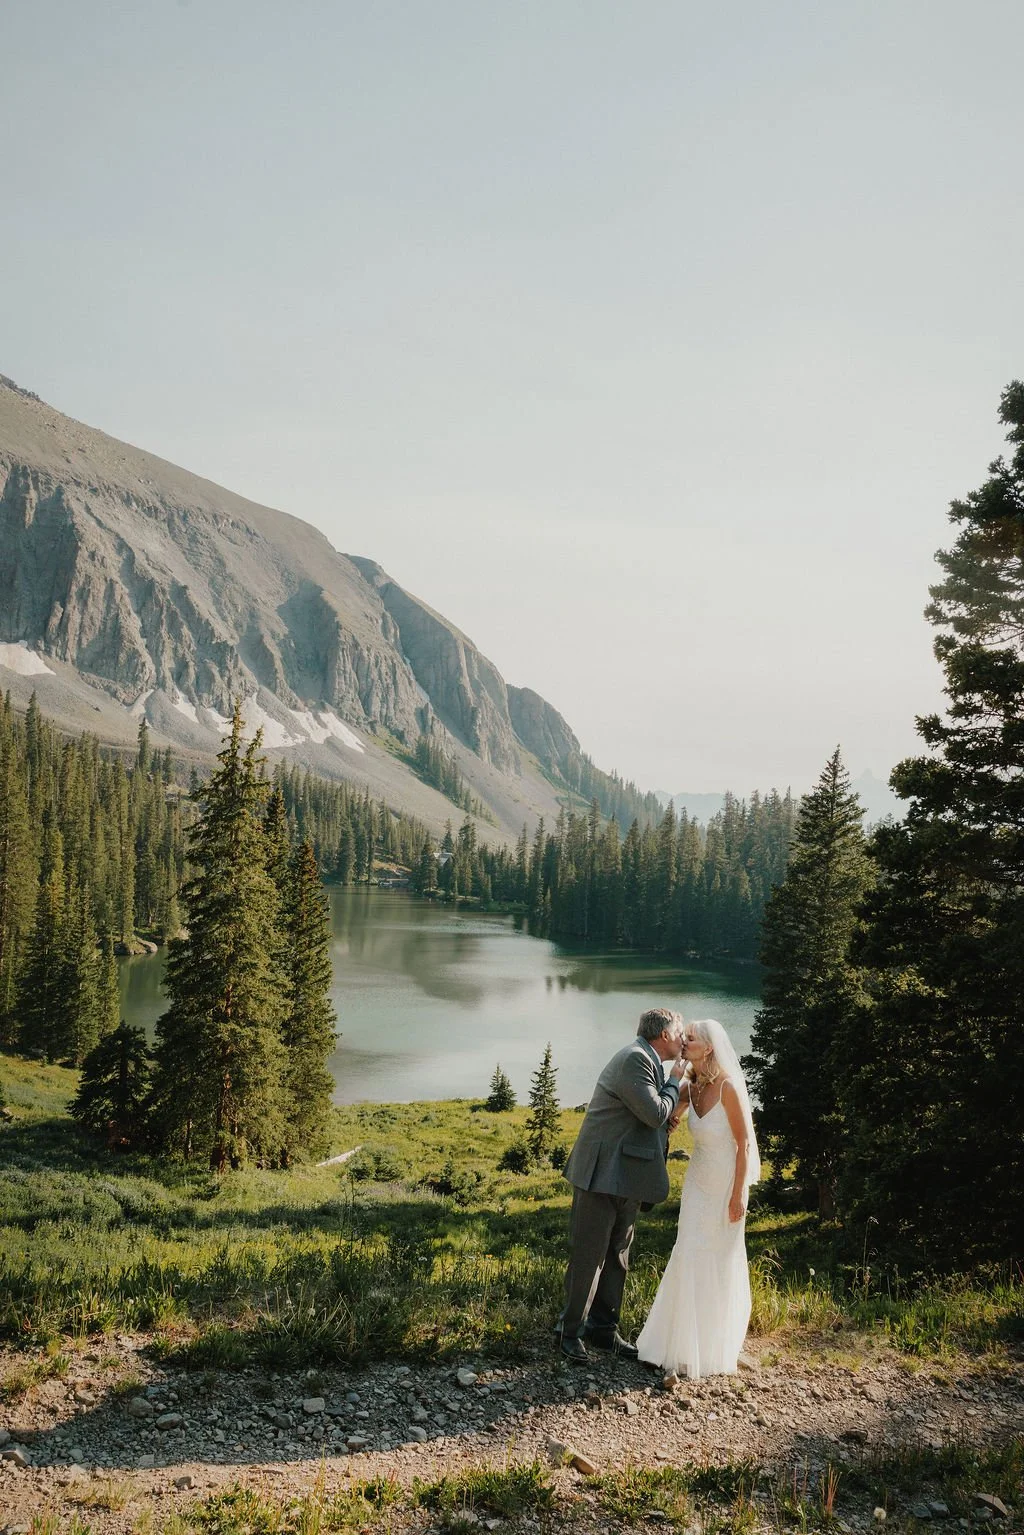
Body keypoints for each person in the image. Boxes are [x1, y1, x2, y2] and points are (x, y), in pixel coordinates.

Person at [557, 1007, 687, 1363]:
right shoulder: (635, 1059)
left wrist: (663, 1122)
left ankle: (603, 1329)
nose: (684, 1039)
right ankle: (568, 1333)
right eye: (681, 1033)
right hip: (601, 1175)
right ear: (664, 1035)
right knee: (589, 1256)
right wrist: (676, 1079)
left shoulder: (647, 1061)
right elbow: (655, 1112)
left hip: (626, 1175)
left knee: (617, 1256)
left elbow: (648, 1118)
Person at [636, 1017, 761, 1379]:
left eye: (690, 1040)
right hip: (697, 1182)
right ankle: (673, 1343)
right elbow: (667, 1115)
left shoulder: (728, 1088)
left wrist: (738, 1194)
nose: (683, 1043)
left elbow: (743, 1144)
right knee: (688, 1250)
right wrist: (669, 1117)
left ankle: (710, 1345)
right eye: (684, 1037)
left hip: (725, 1183)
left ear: (708, 1048)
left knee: (717, 1256)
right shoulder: (692, 1086)